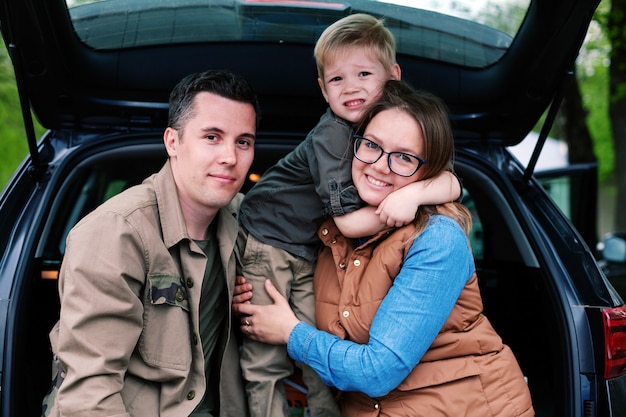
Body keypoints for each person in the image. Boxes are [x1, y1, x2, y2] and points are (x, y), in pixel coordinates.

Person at [235, 79, 535, 416]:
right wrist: (244, 296)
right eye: (371, 145)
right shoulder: (329, 233)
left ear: (429, 172)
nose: (379, 165)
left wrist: (290, 333)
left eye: (404, 157)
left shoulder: (437, 240)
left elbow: (377, 372)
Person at [237, 14, 462, 417]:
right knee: (265, 357)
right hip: (268, 240)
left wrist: (414, 195)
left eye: (363, 73)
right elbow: (347, 225)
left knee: (309, 343)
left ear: (392, 77)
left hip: (303, 248)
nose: (352, 87)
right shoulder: (333, 136)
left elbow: (452, 181)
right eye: (337, 79)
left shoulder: (436, 234)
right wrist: (409, 200)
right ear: (323, 91)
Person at [41, 69, 260, 417]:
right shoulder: (116, 233)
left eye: (243, 141)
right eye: (212, 137)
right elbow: (89, 396)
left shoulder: (242, 220)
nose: (230, 157)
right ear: (172, 142)